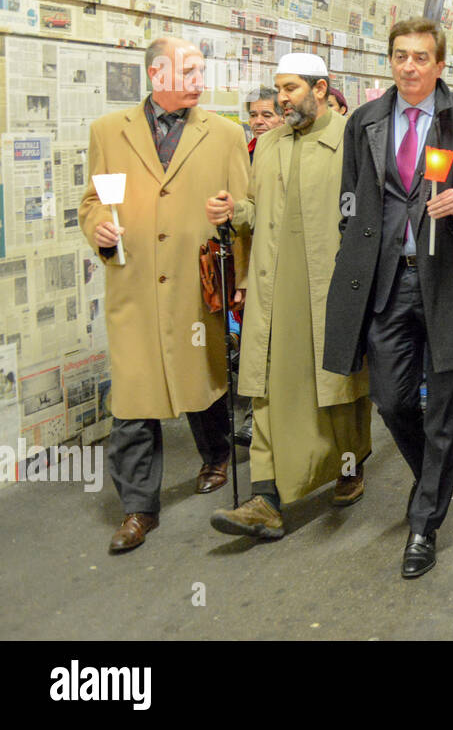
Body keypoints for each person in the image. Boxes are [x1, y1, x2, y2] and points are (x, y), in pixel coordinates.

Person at [322, 17, 453, 579]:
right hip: (387, 280)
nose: (410, 66)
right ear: (391, 62)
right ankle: (434, 476)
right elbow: (352, 195)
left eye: (422, 57)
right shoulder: (366, 121)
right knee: (393, 399)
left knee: (446, 410)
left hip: (449, 279)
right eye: (401, 55)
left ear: (440, 65)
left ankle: (424, 523)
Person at [77, 36, 249, 553]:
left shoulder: (225, 134)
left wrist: (239, 281)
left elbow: (244, 208)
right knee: (133, 398)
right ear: (157, 74)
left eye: (202, 71)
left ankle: (217, 456)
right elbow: (92, 201)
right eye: (190, 71)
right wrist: (98, 229)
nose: (201, 81)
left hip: (197, 284)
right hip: (133, 286)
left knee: (204, 383)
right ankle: (137, 508)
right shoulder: (109, 132)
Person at [206, 53, 371, 538]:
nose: (282, 98)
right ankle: (265, 498)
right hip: (274, 288)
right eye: (280, 88)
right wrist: (235, 208)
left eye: (293, 88)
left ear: (321, 89)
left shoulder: (350, 139)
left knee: (335, 383)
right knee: (268, 386)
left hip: (330, 285)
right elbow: (257, 209)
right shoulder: (270, 144)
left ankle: (348, 467)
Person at [245, 88, 282, 159]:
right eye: (253, 115)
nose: (258, 121)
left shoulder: (292, 153)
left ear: (283, 118)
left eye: (266, 116)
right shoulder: (247, 153)